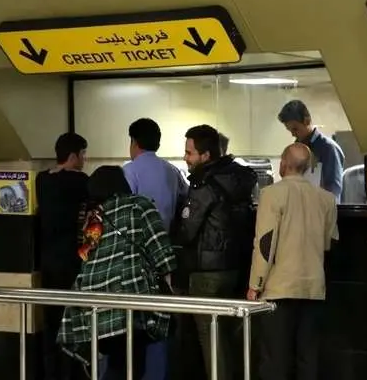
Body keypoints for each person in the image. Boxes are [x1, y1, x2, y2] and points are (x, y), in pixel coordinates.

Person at [58, 166, 177, 380]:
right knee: (130, 367)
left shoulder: (93, 219)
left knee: (118, 363)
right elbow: (161, 249)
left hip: (94, 305)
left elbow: (86, 256)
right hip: (130, 302)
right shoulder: (139, 205)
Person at [174, 125, 257, 380]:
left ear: (206, 155)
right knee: (230, 334)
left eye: (189, 153)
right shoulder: (239, 180)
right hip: (236, 268)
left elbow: (187, 231)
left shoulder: (203, 185)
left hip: (206, 272)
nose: (186, 158)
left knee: (210, 337)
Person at [247, 143, 337, 380]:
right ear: (306, 167)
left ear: (283, 164)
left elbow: (265, 244)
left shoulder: (271, 194)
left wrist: (255, 285)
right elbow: (328, 243)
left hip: (279, 290)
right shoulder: (326, 199)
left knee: (275, 360)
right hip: (313, 289)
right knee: (308, 358)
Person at [119, 118, 187, 380]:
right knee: (160, 318)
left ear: (134, 142)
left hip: (135, 259)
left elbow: (125, 214)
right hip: (165, 256)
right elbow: (185, 202)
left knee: (134, 322)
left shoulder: (129, 171)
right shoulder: (172, 171)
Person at [35, 132, 89, 380]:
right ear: (73, 156)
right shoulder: (80, 181)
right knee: (73, 320)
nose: (85, 159)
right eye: (83, 154)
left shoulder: (42, 179)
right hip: (71, 261)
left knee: (52, 322)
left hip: (47, 260)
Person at [277, 100, 345, 201]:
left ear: (307, 121)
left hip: (320, 207)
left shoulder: (328, 149)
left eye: (295, 129)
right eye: (290, 130)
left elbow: (333, 191)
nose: (293, 134)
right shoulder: (295, 149)